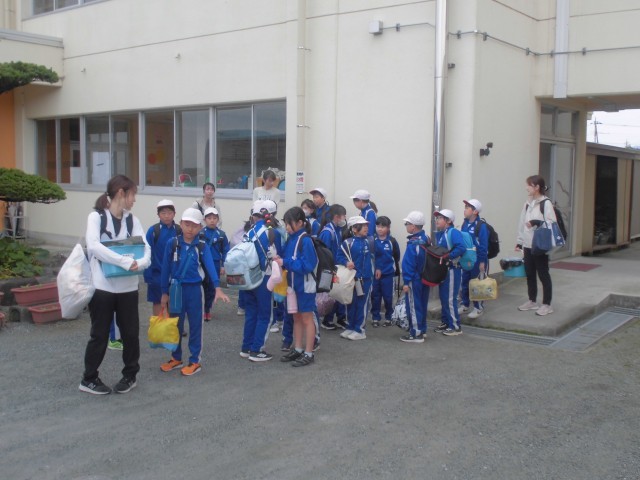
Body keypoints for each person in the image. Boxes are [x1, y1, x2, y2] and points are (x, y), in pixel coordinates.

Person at [79, 174, 151, 395]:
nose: (134, 199)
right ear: (121, 192)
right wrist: (125, 261)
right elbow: (94, 246)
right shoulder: (96, 217)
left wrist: (141, 263)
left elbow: (145, 247)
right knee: (99, 334)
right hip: (103, 287)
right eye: (133, 194)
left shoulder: (133, 220)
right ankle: (89, 378)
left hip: (128, 287)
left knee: (130, 334)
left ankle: (130, 376)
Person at [159, 208, 230, 376]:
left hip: (195, 290)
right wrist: (164, 292)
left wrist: (217, 287)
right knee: (175, 324)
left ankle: (194, 360)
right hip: (176, 289)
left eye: (194, 225)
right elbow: (165, 268)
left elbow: (210, 266)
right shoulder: (172, 243)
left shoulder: (201, 245)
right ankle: (176, 358)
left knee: (196, 325)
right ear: (181, 224)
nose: (190, 229)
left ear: (200, 227)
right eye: (187, 224)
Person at [240, 201, 283, 362]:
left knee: (251, 313)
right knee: (265, 315)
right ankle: (257, 350)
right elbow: (280, 253)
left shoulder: (249, 232)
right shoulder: (271, 232)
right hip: (265, 277)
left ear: (253, 215)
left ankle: (246, 347)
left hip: (249, 277)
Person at [275, 207, 319, 366]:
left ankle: (309, 353)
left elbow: (308, 265)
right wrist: (280, 259)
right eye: (286, 223)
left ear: (300, 223)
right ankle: (299, 348)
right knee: (296, 317)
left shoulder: (305, 240)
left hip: (305, 286)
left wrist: (285, 262)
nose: (286, 227)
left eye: (289, 223)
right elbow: (289, 259)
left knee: (307, 318)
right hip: (292, 286)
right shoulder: (291, 238)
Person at [516, 175, 557, 316]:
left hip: (540, 245)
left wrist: (536, 222)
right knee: (530, 274)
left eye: (529, 185)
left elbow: (552, 224)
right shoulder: (528, 203)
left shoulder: (546, 203)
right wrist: (519, 242)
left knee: (543, 274)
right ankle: (532, 301)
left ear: (537, 187)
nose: (526, 188)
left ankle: (547, 304)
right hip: (528, 244)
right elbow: (522, 223)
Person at [336, 216, 374, 340]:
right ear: (354, 228)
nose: (366, 228)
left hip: (365, 279)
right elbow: (338, 256)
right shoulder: (347, 243)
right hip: (352, 278)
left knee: (362, 304)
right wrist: (346, 263)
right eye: (363, 226)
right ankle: (351, 327)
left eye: (366, 225)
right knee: (350, 303)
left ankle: (360, 330)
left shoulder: (369, 241)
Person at [144, 199, 181, 317]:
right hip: (157, 274)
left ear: (174, 214)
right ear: (158, 214)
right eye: (163, 213)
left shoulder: (179, 230)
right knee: (157, 302)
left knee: (174, 302)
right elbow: (147, 253)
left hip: (175, 274)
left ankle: (173, 325)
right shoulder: (153, 231)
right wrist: (148, 275)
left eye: (169, 213)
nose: (166, 216)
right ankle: (159, 324)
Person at [433, 209, 466, 336]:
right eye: (437, 218)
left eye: (440, 218)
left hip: (452, 269)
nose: (437, 220)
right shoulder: (442, 233)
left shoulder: (453, 232)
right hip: (445, 270)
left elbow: (461, 248)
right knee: (444, 297)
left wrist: (448, 256)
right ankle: (446, 322)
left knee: (450, 299)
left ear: (448, 221)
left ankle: (455, 326)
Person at [399, 211, 430, 343]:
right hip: (426, 277)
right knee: (422, 304)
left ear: (413, 226)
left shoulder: (413, 243)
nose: (406, 226)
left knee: (414, 305)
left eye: (407, 223)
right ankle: (422, 329)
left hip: (414, 279)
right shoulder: (426, 238)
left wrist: (406, 282)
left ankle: (416, 333)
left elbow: (409, 264)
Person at [318, 204, 348, 330]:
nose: (345, 218)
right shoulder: (327, 232)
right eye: (343, 216)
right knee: (330, 294)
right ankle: (327, 319)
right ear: (337, 217)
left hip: (336, 267)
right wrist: (330, 270)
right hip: (329, 268)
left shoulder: (337, 229)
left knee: (338, 293)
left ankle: (340, 318)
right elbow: (324, 253)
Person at [460, 199, 489, 319]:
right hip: (466, 259)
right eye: (465, 207)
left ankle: (478, 308)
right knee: (465, 281)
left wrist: (482, 261)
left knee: (477, 284)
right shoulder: (464, 224)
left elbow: (483, 245)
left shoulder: (481, 226)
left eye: (468, 207)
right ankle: (465, 304)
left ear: (475, 211)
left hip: (477, 259)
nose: (465, 209)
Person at [371, 216, 400, 327]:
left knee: (388, 297)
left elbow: (396, 256)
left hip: (388, 274)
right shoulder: (372, 240)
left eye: (383, 227)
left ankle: (389, 317)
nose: (380, 229)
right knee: (375, 296)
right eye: (378, 226)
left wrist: (392, 269)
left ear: (388, 228)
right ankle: (375, 317)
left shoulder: (392, 241)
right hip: (375, 275)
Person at [202, 207, 230, 321]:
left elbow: (225, 251)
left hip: (215, 264)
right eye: (209, 218)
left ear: (218, 219)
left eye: (214, 218)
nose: (212, 220)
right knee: (202, 287)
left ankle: (207, 309)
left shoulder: (221, 234)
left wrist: (223, 266)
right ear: (204, 220)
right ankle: (201, 309)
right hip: (202, 265)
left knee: (212, 289)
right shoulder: (200, 233)